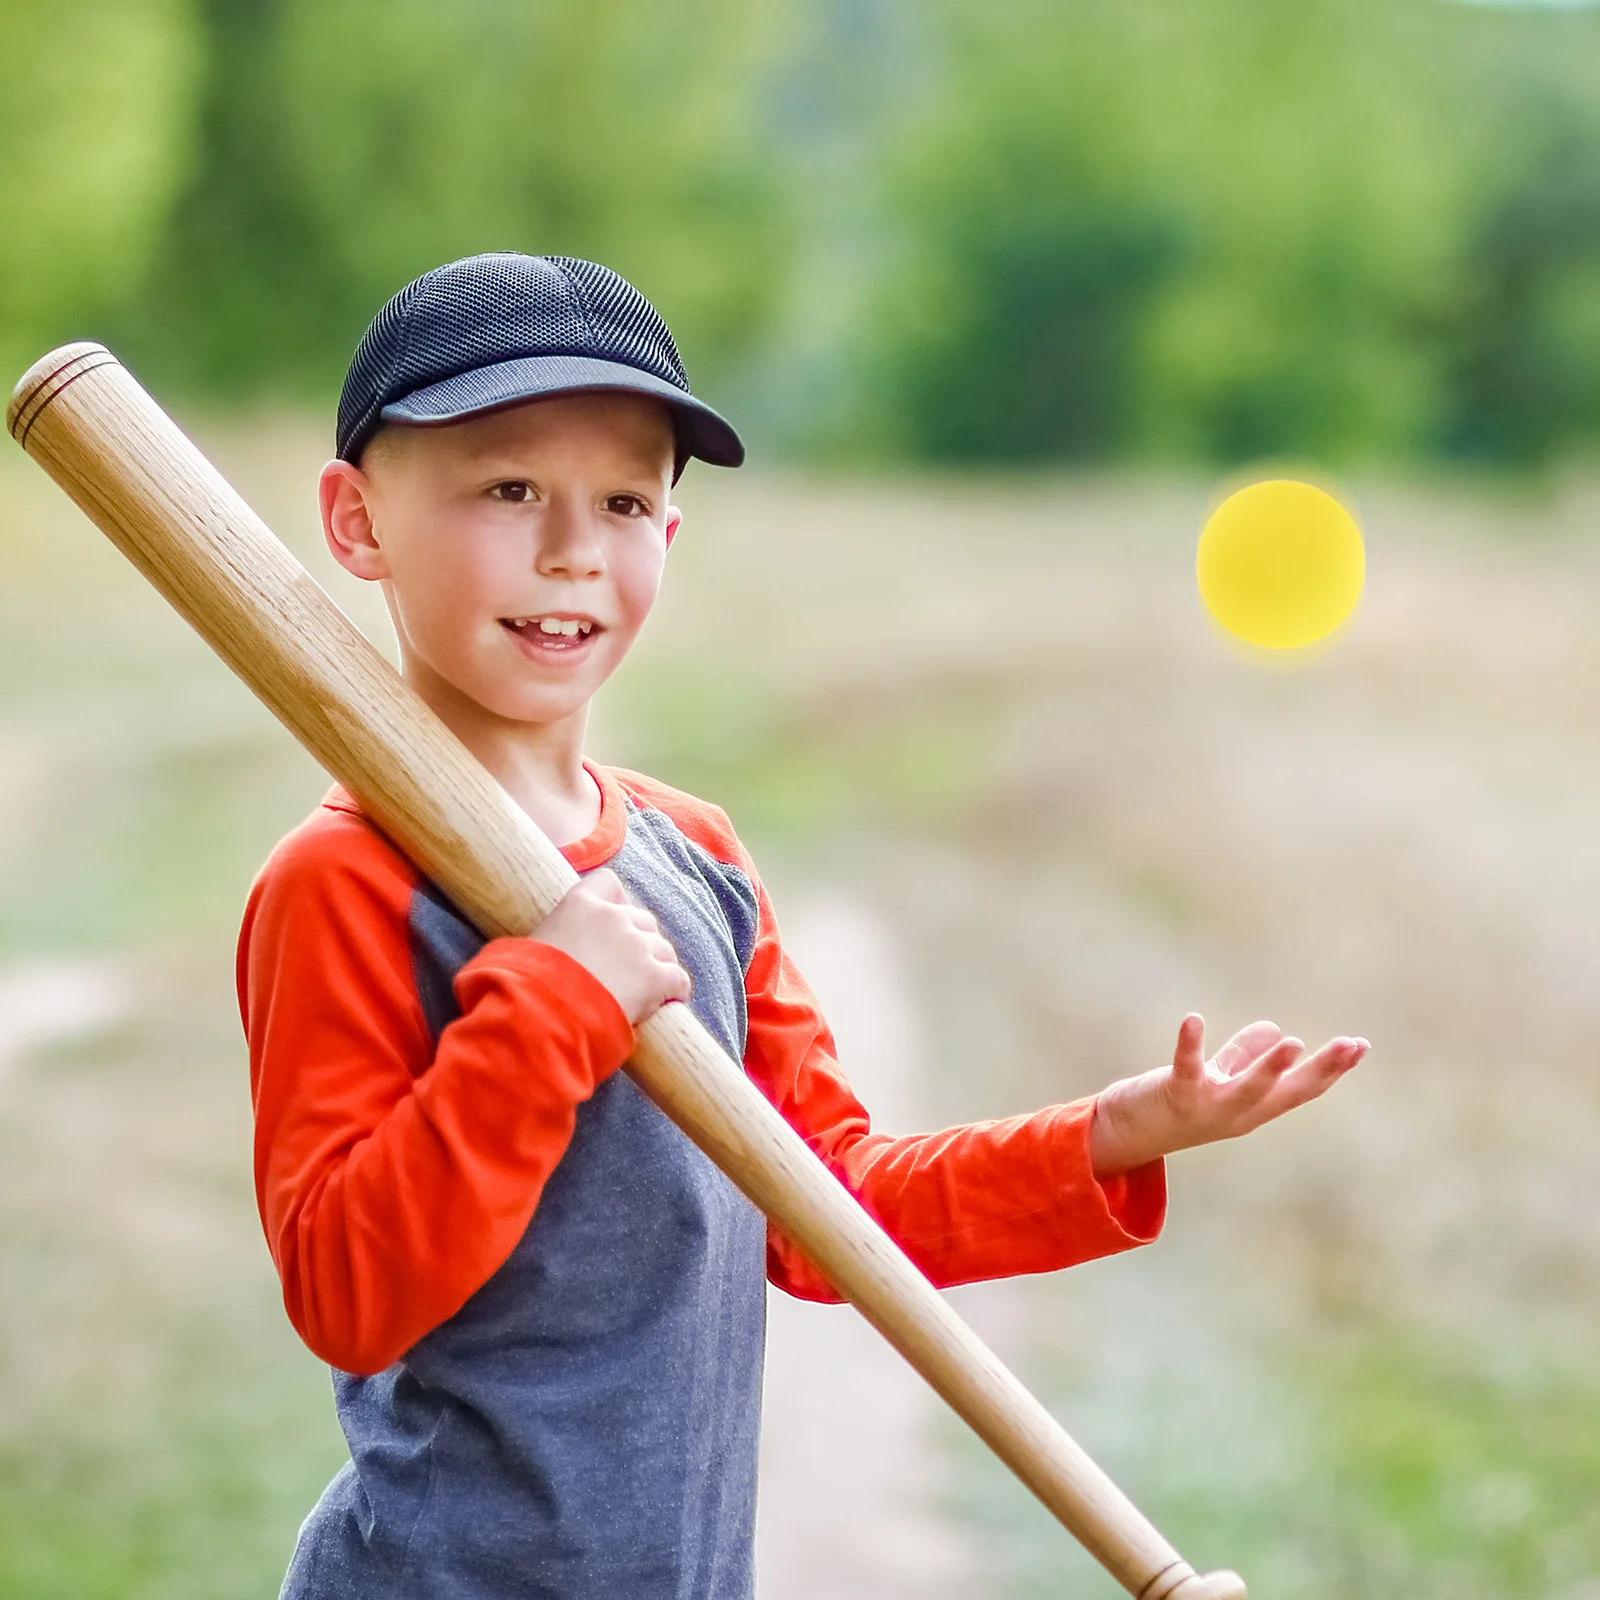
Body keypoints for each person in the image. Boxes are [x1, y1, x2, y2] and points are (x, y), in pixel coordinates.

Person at [237, 252, 1368, 1599]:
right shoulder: (349, 884)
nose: (572, 548)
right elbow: (349, 1293)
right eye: (509, 489)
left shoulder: (693, 858)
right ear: (356, 522)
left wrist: (1108, 1139)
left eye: (624, 501)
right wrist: (547, 1009)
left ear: (670, 535)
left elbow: (824, 1205)